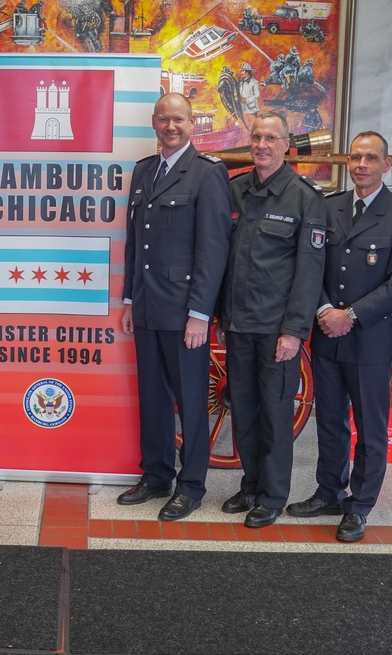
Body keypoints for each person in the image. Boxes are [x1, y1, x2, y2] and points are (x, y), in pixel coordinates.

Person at [287, 131, 392, 542]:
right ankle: (329, 490)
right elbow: (311, 266)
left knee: (369, 425)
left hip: (369, 339)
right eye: (355, 157)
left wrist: (350, 315)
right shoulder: (328, 207)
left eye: (371, 158)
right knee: (329, 420)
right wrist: (325, 310)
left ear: (387, 165)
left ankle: (361, 503)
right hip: (327, 332)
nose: (361, 165)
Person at [118, 92, 231, 521]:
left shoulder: (206, 174)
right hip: (147, 307)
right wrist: (129, 298)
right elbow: (137, 244)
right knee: (153, 397)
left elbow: (213, 249)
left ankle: (192, 485)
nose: (171, 127)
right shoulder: (144, 171)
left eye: (178, 120)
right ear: (153, 122)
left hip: (186, 314)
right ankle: (157, 474)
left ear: (191, 123)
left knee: (189, 399)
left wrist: (201, 314)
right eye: (164, 120)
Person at [216, 112, 326, 528]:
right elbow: (224, 261)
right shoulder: (235, 191)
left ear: (286, 145)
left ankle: (273, 495)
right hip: (238, 325)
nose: (262, 144)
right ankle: (251, 484)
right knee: (242, 409)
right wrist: (221, 315)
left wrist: (295, 331)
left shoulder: (304, 197)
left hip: (277, 330)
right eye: (257, 137)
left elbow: (309, 273)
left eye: (271, 138)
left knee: (275, 415)